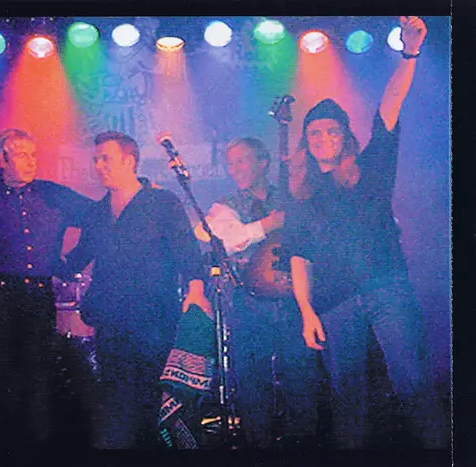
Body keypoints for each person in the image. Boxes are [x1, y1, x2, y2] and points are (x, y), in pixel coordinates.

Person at [286, 16, 447, 449]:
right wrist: (306, 311)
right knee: (346, 395)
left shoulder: (371, 167)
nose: (322, 137)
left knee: (412, 382)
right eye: (314, 132)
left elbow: (389, 106)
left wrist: (409, 53)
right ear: (306, 141)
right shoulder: (301, 192)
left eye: (331, 130)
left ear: (345, 136)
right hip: (334, 302)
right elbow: (298, 255)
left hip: (385, 288)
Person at [60, 130, 211, 449]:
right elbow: (77, 257)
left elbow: (188, 254)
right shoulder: (97, 213)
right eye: (96, 159)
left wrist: (196, 292)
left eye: (106, 158)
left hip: (154, 322)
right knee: (118, 406)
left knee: (154, 405)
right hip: (111, 325)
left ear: (129, 161)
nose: (99, 165)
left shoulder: (162, 203)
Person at [0, 128, 94, 451]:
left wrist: (71, 262)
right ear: (1, 159)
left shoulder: (52, 194)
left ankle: (36, 447)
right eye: (22, 155)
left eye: (33, 155)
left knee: (38, 377)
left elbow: (98, 216)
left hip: (38, 299)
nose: (31, 162)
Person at [194, 137, 321, 448]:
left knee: (300, 375)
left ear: (263, 162)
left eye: (242, 160)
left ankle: (302, 445)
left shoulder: (290, 196)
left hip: (293, 299)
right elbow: (218, 238)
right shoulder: (226, 204)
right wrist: (267, 224)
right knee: (252, 380)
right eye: (230, 163)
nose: (234, 168)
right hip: (248, 302)